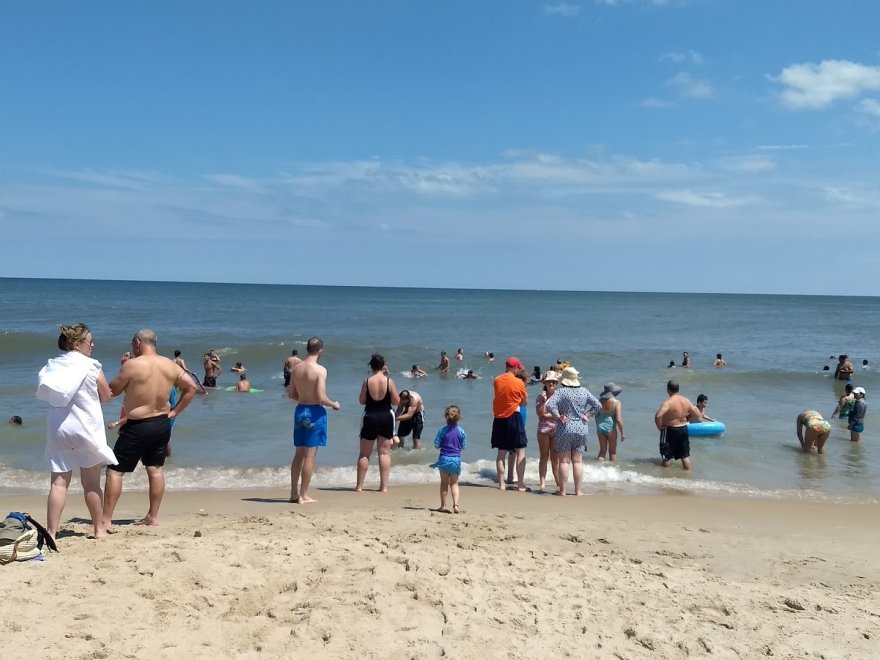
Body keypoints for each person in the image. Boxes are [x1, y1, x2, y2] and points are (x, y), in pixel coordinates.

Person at [103, 329, 196, 528]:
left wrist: (123, 368)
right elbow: (192, 388)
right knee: (155, 470)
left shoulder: (132, 365)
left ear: (137, 343)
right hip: (162, 423)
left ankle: (106, 520)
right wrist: (176, 411)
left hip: (137, 426)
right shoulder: (170, 365)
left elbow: (113, 391)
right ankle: (152, 517)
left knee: (115, 471)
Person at [36, 323, 117, 540]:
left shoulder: (52, 365)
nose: (93, 345)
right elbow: (107, 395)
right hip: (85, 426)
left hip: (59, 427)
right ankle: (99, 530)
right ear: (77, 344)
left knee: (58, 482)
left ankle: (51, 532)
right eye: (90, 342)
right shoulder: (91, 365)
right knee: (90, 482)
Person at [288, 337, 340, 504]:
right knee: (310, 456)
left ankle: (294, 493)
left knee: (298, 454)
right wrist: (334, 404)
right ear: (320, 351)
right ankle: (303, 495)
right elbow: (320, 397)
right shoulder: (320, 370)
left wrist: (304, 398)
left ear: (307, 349)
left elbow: (291, 395)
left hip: (300, 410)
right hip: (315, 412)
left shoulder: (296, 368)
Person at [544, 367, 600, 496]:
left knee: (564, 461)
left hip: (565, 427)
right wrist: (588, 415)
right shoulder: (584, 391)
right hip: (581, 427)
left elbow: (549, 405)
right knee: (578, 461)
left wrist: (558, 416)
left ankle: (562, 491)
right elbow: (598, 405)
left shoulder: (561, 392)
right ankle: (578, 491)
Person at [356, 353, 400, 493]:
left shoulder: (367, 381)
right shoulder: (389, 381)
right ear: (383, 365)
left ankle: (359, 486)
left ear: (371, 365)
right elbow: (396, 402)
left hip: (370, 416)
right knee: (384, 453)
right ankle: (383, 487)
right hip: (386, 416)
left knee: (364, 454)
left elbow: (362, 401)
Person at [491, 356, 528, 491]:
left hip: (499, 418)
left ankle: (501, 484)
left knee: (501, 453)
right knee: (521, 450)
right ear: (514, 367)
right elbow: (523, 401)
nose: (519, 370)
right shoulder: (519, 382)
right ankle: (520, 484)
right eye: (518, 368)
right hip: (514, 416)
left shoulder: (496, 380)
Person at [654, 380, 702, 470]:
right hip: (683, 429)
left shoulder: (668, 402)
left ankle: (664, 479)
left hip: (670, 430)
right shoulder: (686, 400)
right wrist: (687, 419)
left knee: (667, 457)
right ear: (678, 389)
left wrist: (659, 427)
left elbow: (658, 416)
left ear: (668, 389)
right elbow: (697, 415)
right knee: (685, 456)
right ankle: (688, 476)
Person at [429, 405, 467, 514]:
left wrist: (443, 444)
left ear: (446, 417)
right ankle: (455, 505)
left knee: (444, 483)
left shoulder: (442, 431)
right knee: (454, 484)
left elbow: (437, 445)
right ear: (459, 418)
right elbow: (464, 446)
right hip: (456, 459)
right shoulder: (461, 431)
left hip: (444, 459)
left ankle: (443, 505)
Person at [535, 370, 560, 492]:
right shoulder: (541, 397)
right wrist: (545, 401)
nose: (551, 383)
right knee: (544, 456)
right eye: (549, 381)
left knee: (556, 459)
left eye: (553, 382)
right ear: (545, 383)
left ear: (556, 383)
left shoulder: (560, 396)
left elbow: (562, 414)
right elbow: (540, 414)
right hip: (544, 429)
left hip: (557, 429)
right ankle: (542, 482)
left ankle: (558, 482)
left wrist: (550, 415)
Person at [596, 388, 624, 463]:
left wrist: (598, 426)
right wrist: (622, 433)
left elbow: (596, 415)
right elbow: (618, 419)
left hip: (600, 427)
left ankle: (599, 468)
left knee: (602, 451)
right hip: (611, 428)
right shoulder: (616, 402)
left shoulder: (599, 401)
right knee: (612, 452)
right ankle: (612, 471)